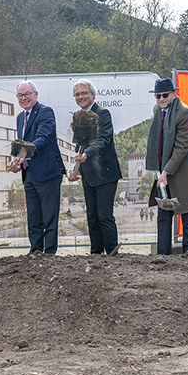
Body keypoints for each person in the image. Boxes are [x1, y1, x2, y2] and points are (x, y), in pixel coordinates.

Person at [145, 78, 188, 254]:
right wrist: (161, 170)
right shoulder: (157, 110)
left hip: (185, 171)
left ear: (174, 94)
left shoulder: (185, 113)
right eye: (157, 96)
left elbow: (181, 148)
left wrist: (166, 171)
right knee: (164, 212)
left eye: (165, 95)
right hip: (165, 169)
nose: (161, 99)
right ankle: (162, 256)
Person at [8, 81, 66, 254]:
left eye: (27, 94)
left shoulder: (45, 112)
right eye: (20, 95)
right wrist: (17, 162)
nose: (24, 98)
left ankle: (49, 254)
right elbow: (23, 144)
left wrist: (22, 156)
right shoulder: (20, 117)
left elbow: (41, 138)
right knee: (33, 217)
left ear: (36, 94)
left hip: (48, 172)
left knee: (49, 217)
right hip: (29, 174)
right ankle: (35, 252)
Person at [67, 79, 122, 255]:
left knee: (104, 216)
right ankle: (96, 255)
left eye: (84, 93)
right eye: (77, 94)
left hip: (106, 173)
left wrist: (86, 154)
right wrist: (76, 170)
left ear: (92, 95)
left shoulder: (102, 113)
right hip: (88, 174)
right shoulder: (79, 117)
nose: (81, 97)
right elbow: (80, 146)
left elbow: (103, 139)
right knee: (92, 217)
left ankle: (112, 254)